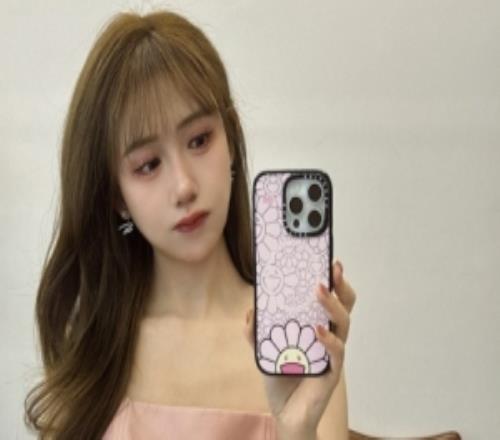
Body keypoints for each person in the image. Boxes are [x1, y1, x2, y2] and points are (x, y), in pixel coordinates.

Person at [24, 9, 357, 440]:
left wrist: (298, 429)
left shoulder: (298, 340)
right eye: (148, 165)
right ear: (117, 197)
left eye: (199, 140)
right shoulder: (93, 351)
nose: (183, 186)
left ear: (231, 140)